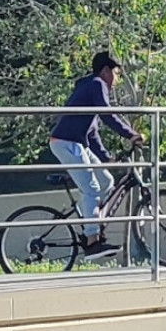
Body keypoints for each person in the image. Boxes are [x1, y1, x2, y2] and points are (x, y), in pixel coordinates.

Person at [49, 51, 141, 258]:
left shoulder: (89, 87)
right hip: (67, 142)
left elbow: (92, 131)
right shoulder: (97, 84)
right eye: (116, 73)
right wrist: (131, 134)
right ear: (106, 70)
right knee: (91, 189)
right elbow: (108, 115)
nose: (116, 80)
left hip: (76, 143)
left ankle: (94, 228)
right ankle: (92, 241)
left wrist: (106, 157)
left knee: (106, 181)